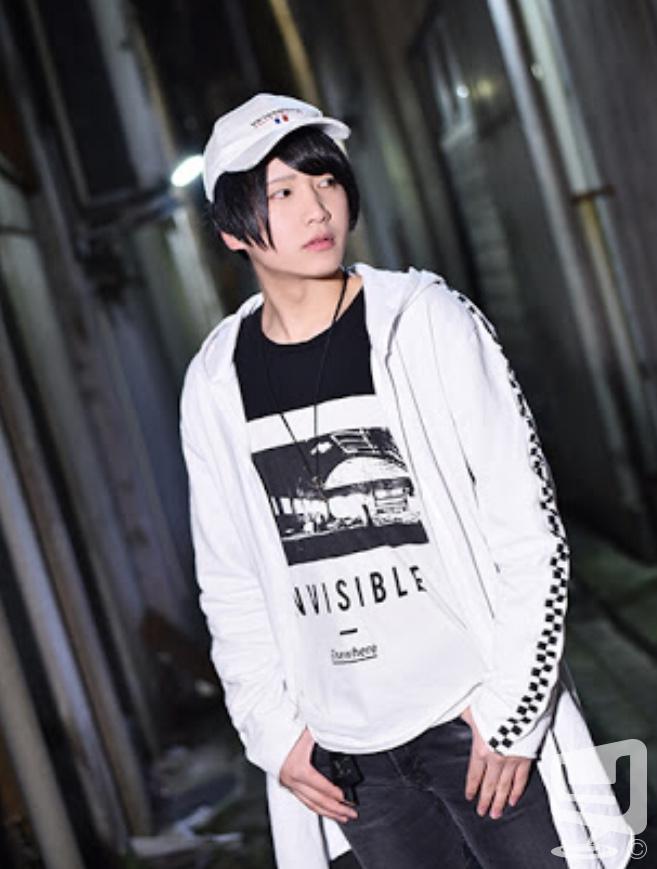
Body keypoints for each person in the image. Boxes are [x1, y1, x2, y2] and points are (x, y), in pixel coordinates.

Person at [179, 93, 633, 868]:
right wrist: (273, 733)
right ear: (230, 227)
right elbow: (230, 579)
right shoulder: (217, 379)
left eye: (325, 179)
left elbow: (528, 529)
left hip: (477, 725)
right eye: (282, 192)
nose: (316, 208)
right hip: (351, 759)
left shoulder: (423, 322)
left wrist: (510, 711)